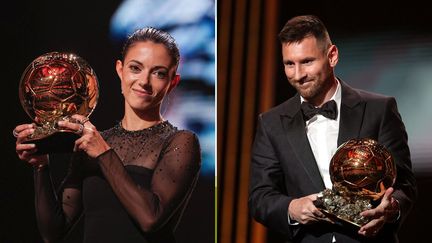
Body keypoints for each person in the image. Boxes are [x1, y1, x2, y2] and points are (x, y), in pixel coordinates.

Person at [14, 27, 201, 243]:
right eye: (135, 68)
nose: (144, 81)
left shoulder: (181, 142)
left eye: (159, 73)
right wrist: (41, 167)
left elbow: (151, 219)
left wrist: (103, 152)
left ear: (173, 83)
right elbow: (53, 232)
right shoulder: (95, 143)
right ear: (120, 70)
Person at [248, 15, 416, 242]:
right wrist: (292, 208)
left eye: (307, 61)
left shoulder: (380, 109)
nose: (298, 75)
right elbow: (259, 197)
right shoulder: (271, 123)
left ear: (332, 56)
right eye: (289, 64)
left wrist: (391, 209)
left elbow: (404, 185)